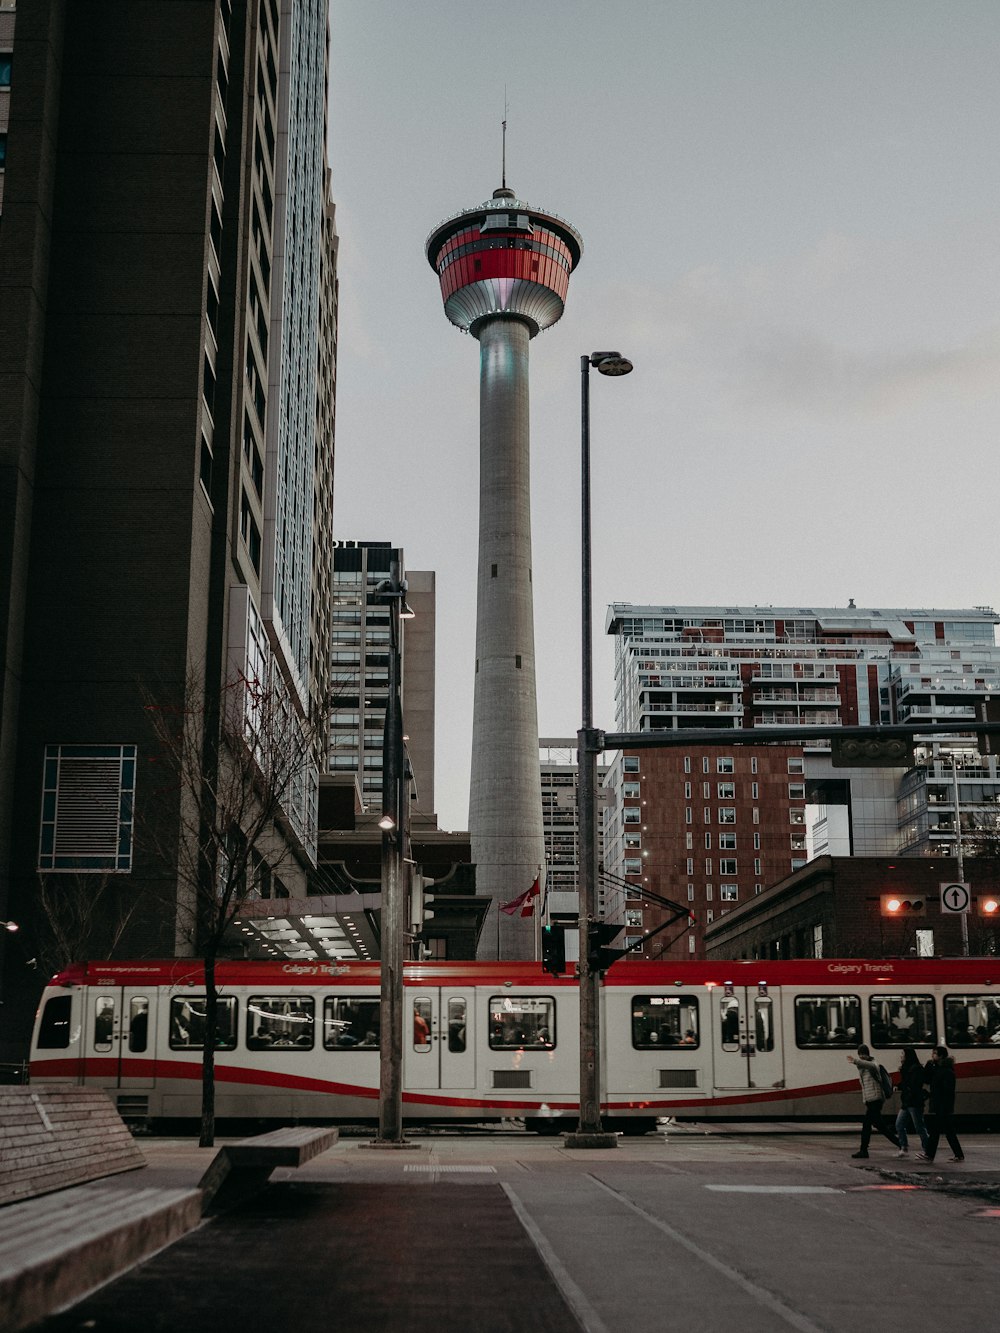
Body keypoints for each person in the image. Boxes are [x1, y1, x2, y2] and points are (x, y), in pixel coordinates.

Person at [847, 1044, 899, 1158]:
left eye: (862, 1054)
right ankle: (900, 1143)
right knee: (880, 1126)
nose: (861, 1056)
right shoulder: (862, 1068)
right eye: (860, 1054)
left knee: (866, 1125)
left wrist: (855, 1061)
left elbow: (871, 1066)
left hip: (876, 1099)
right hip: (871, 1100)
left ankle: (863, 1150)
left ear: (867, 1054)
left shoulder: (873, 1064)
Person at [918, 1046, 964, 1163]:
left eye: (935, 1054)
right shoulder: (938, 1069)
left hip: (942, 1106)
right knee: (947, 1131)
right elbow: (927, 1080)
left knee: (936, 1131)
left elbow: (946, 1090)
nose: (932, 1056)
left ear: (941, 1056)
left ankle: (930, 1154)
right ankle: (958, 1155)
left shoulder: (946, 1071)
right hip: (941, 1105)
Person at [894, 1046, 930, 1158]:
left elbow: (913, 1086)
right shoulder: (908, 1068)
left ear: (907, 1056)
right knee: (899, 1124)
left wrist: (906, 1092)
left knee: (919, 1127)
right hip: (907, 1102)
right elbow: (907, 1083)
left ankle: (928, 1150)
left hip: (914, 1103)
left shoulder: (916, 1069)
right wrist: (898, 1086)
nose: (900, 1056)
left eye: (902, 1054)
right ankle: (904, 1147)